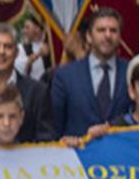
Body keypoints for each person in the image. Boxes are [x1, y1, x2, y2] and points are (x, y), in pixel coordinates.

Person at [51, 7, 132, 136]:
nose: (107, 35)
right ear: (89, 36)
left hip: (122, 152)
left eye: (113, 30)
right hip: (81, 153)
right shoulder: (65, 76)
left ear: (119, 36)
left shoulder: (131, 71)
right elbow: (55, 126)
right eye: (101, 30)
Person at [14, 14, 51, 81]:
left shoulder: (51, 44)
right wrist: (39, 54)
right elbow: (22, 69)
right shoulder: (21, 48)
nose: (24, 31)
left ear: (37, 28)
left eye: (27, 27)